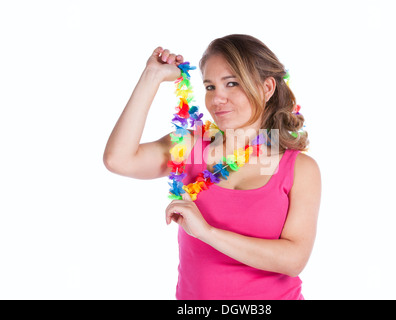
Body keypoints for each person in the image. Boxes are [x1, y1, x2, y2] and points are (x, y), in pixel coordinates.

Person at [103, 34, 321, 300]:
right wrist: (152, 76)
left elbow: (293, 259)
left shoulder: (299, 168)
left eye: (232, 84)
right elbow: (118, 160)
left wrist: (206, 233)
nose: (218, 98)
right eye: (209, 87)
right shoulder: (189, 146)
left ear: (267, 88)